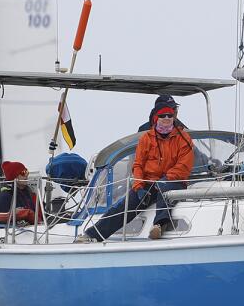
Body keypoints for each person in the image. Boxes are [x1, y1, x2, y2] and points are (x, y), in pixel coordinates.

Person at [82, 95, 194, 241]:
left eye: (170, 114)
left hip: (172, 180)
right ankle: (93, 234)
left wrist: (165, 179)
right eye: (163, 115)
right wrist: (138, 184)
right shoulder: (146, 137)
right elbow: (138, 164)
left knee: (165, 190)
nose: (167, 118)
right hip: (149, 181)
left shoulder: (183, 137)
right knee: (127, 203)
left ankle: (159, 225)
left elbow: (184, 166)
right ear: (156, 117)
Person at [0, 161, 42, 225]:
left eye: (26, 171)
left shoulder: (31, 193)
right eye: (23, 173)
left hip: (36, 228)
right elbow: (2, 221)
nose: (26, 175)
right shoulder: (4, 197)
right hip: (17, 232)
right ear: (14, 177)